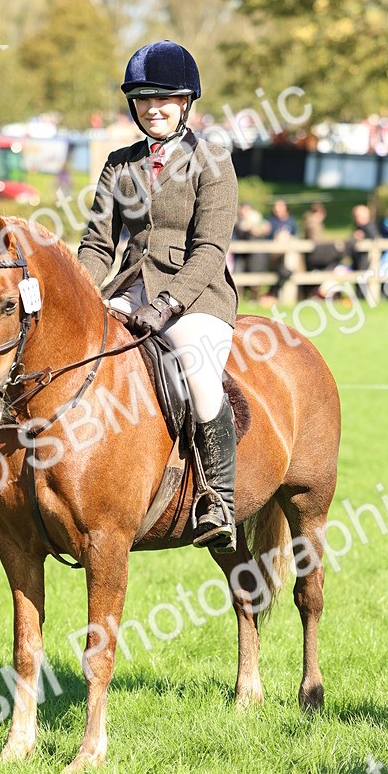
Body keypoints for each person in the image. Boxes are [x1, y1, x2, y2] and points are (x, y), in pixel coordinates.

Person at [78, 39, 239, 552]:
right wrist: (84, 297)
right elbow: (98, 244)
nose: (153, 107)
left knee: (196, 368)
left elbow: (211, 248)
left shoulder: (211, 160)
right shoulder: (119, 165)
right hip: (130, 291)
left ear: (186, 102)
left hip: (196, 297)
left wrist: (168, 304)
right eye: (143, 98)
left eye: (164, 98)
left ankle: (218, 496)